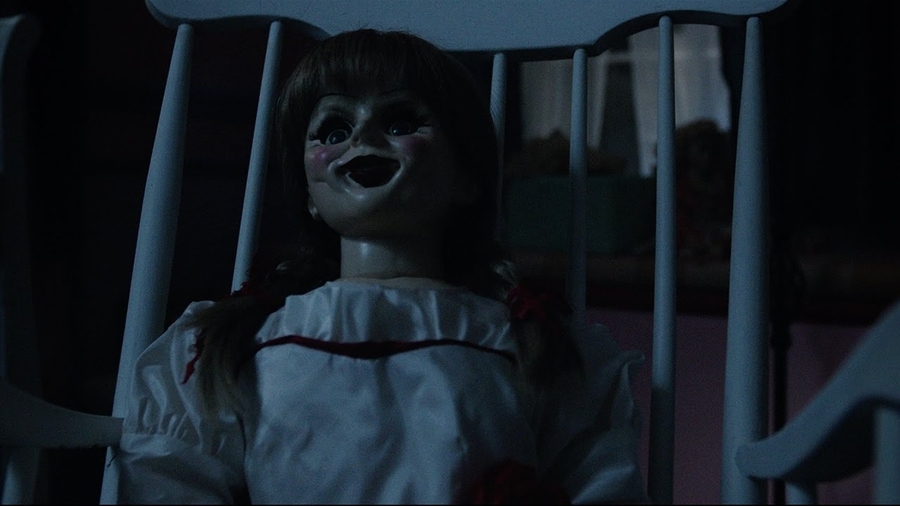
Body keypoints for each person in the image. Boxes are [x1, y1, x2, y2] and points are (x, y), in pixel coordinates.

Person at [113, 28, 648, 504]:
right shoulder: (241, 344)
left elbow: (593, 479)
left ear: (467, 178)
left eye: (400, 121)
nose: (363, 136)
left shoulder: (524, 343)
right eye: (332, 130)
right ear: (308, 195)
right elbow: (178, 478)